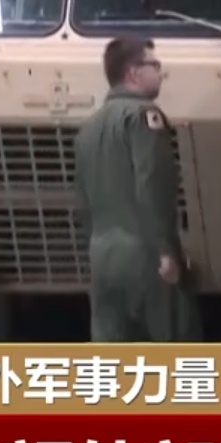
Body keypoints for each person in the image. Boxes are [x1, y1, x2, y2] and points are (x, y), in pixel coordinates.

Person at [74, 36, 201, 342]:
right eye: (154, 65)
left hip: (102, 256)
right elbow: (153, 186)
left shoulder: (88, 128)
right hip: (145, 256)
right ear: (133, 72)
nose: (160, 72)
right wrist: (166, 250)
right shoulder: (144, 116)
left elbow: (82, 201)